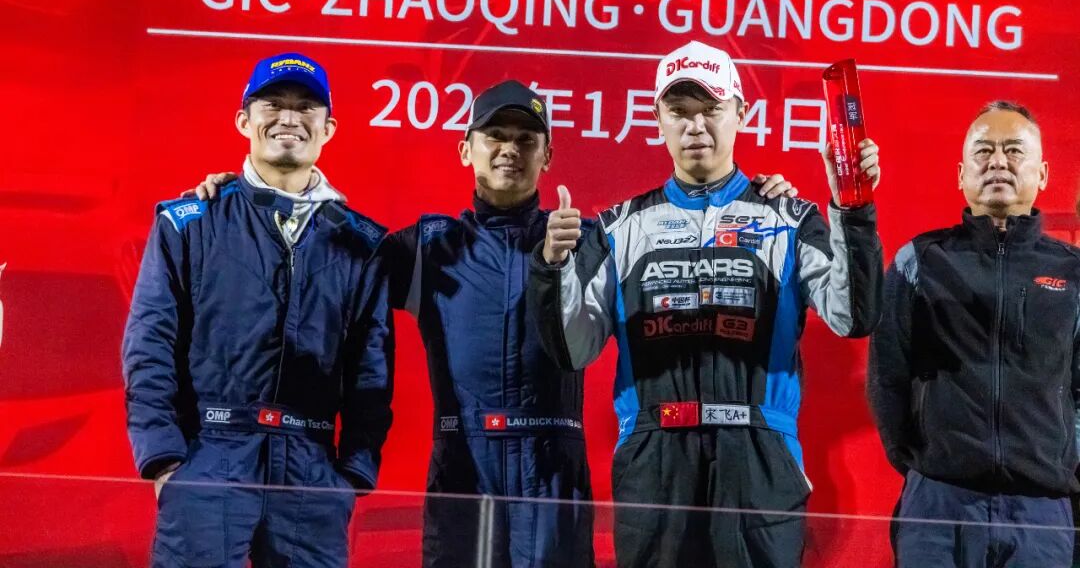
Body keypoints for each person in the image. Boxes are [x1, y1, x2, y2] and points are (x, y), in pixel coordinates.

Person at [190, 77, 798, 567]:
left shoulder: (588, 240)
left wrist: (757, 195)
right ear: (466, 149)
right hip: (464, 466)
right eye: (494, 136)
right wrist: (244, 193)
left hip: (553, 470)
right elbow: (320, 260)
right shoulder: (429, 245)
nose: (509, 149)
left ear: (546, 156)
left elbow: (689, 269)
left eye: (526, 139)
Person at [527, 40, 884, 568]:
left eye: (712, 109)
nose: (696, 126)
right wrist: (552, 267)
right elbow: (571, 349)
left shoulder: (790, 217)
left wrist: (851, 207)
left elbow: (853, 316)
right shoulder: (617, 228)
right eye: (679, 111)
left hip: (759, 456)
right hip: (654, 458)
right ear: (657, 120)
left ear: (742, 112)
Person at [122, 53, 393, 568]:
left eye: (306, 106)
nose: (289, 117)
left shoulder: (362, 243)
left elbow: (372, 364)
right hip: (209, 457)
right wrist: (164, 460)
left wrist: (353, 472)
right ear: (244, 121)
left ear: (328, 129)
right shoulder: (189, 221)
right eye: (273, 103)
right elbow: (149, 345)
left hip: (312, 472)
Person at [868, 101, 1080, 567]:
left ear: (1043, 174)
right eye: (983, 151)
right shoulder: (920, 261)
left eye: (1014, 150)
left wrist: (1060, 460)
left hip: (1041, 512)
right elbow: (888, 378)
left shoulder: (1074, 274)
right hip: (938, 504)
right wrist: (926, 462)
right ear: (961, 174)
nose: (998, 162)